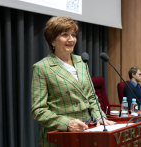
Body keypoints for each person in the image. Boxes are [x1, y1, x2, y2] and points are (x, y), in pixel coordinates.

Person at [31, 16, 114, 147]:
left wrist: (100, 117)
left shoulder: (81, 62)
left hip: (86, 132)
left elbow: (91, 96)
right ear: (52, 40)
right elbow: (39, 110)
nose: (71, 39)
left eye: (73, 35)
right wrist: (67, 123)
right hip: (59, 137)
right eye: (65, 35)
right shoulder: (42, 68)